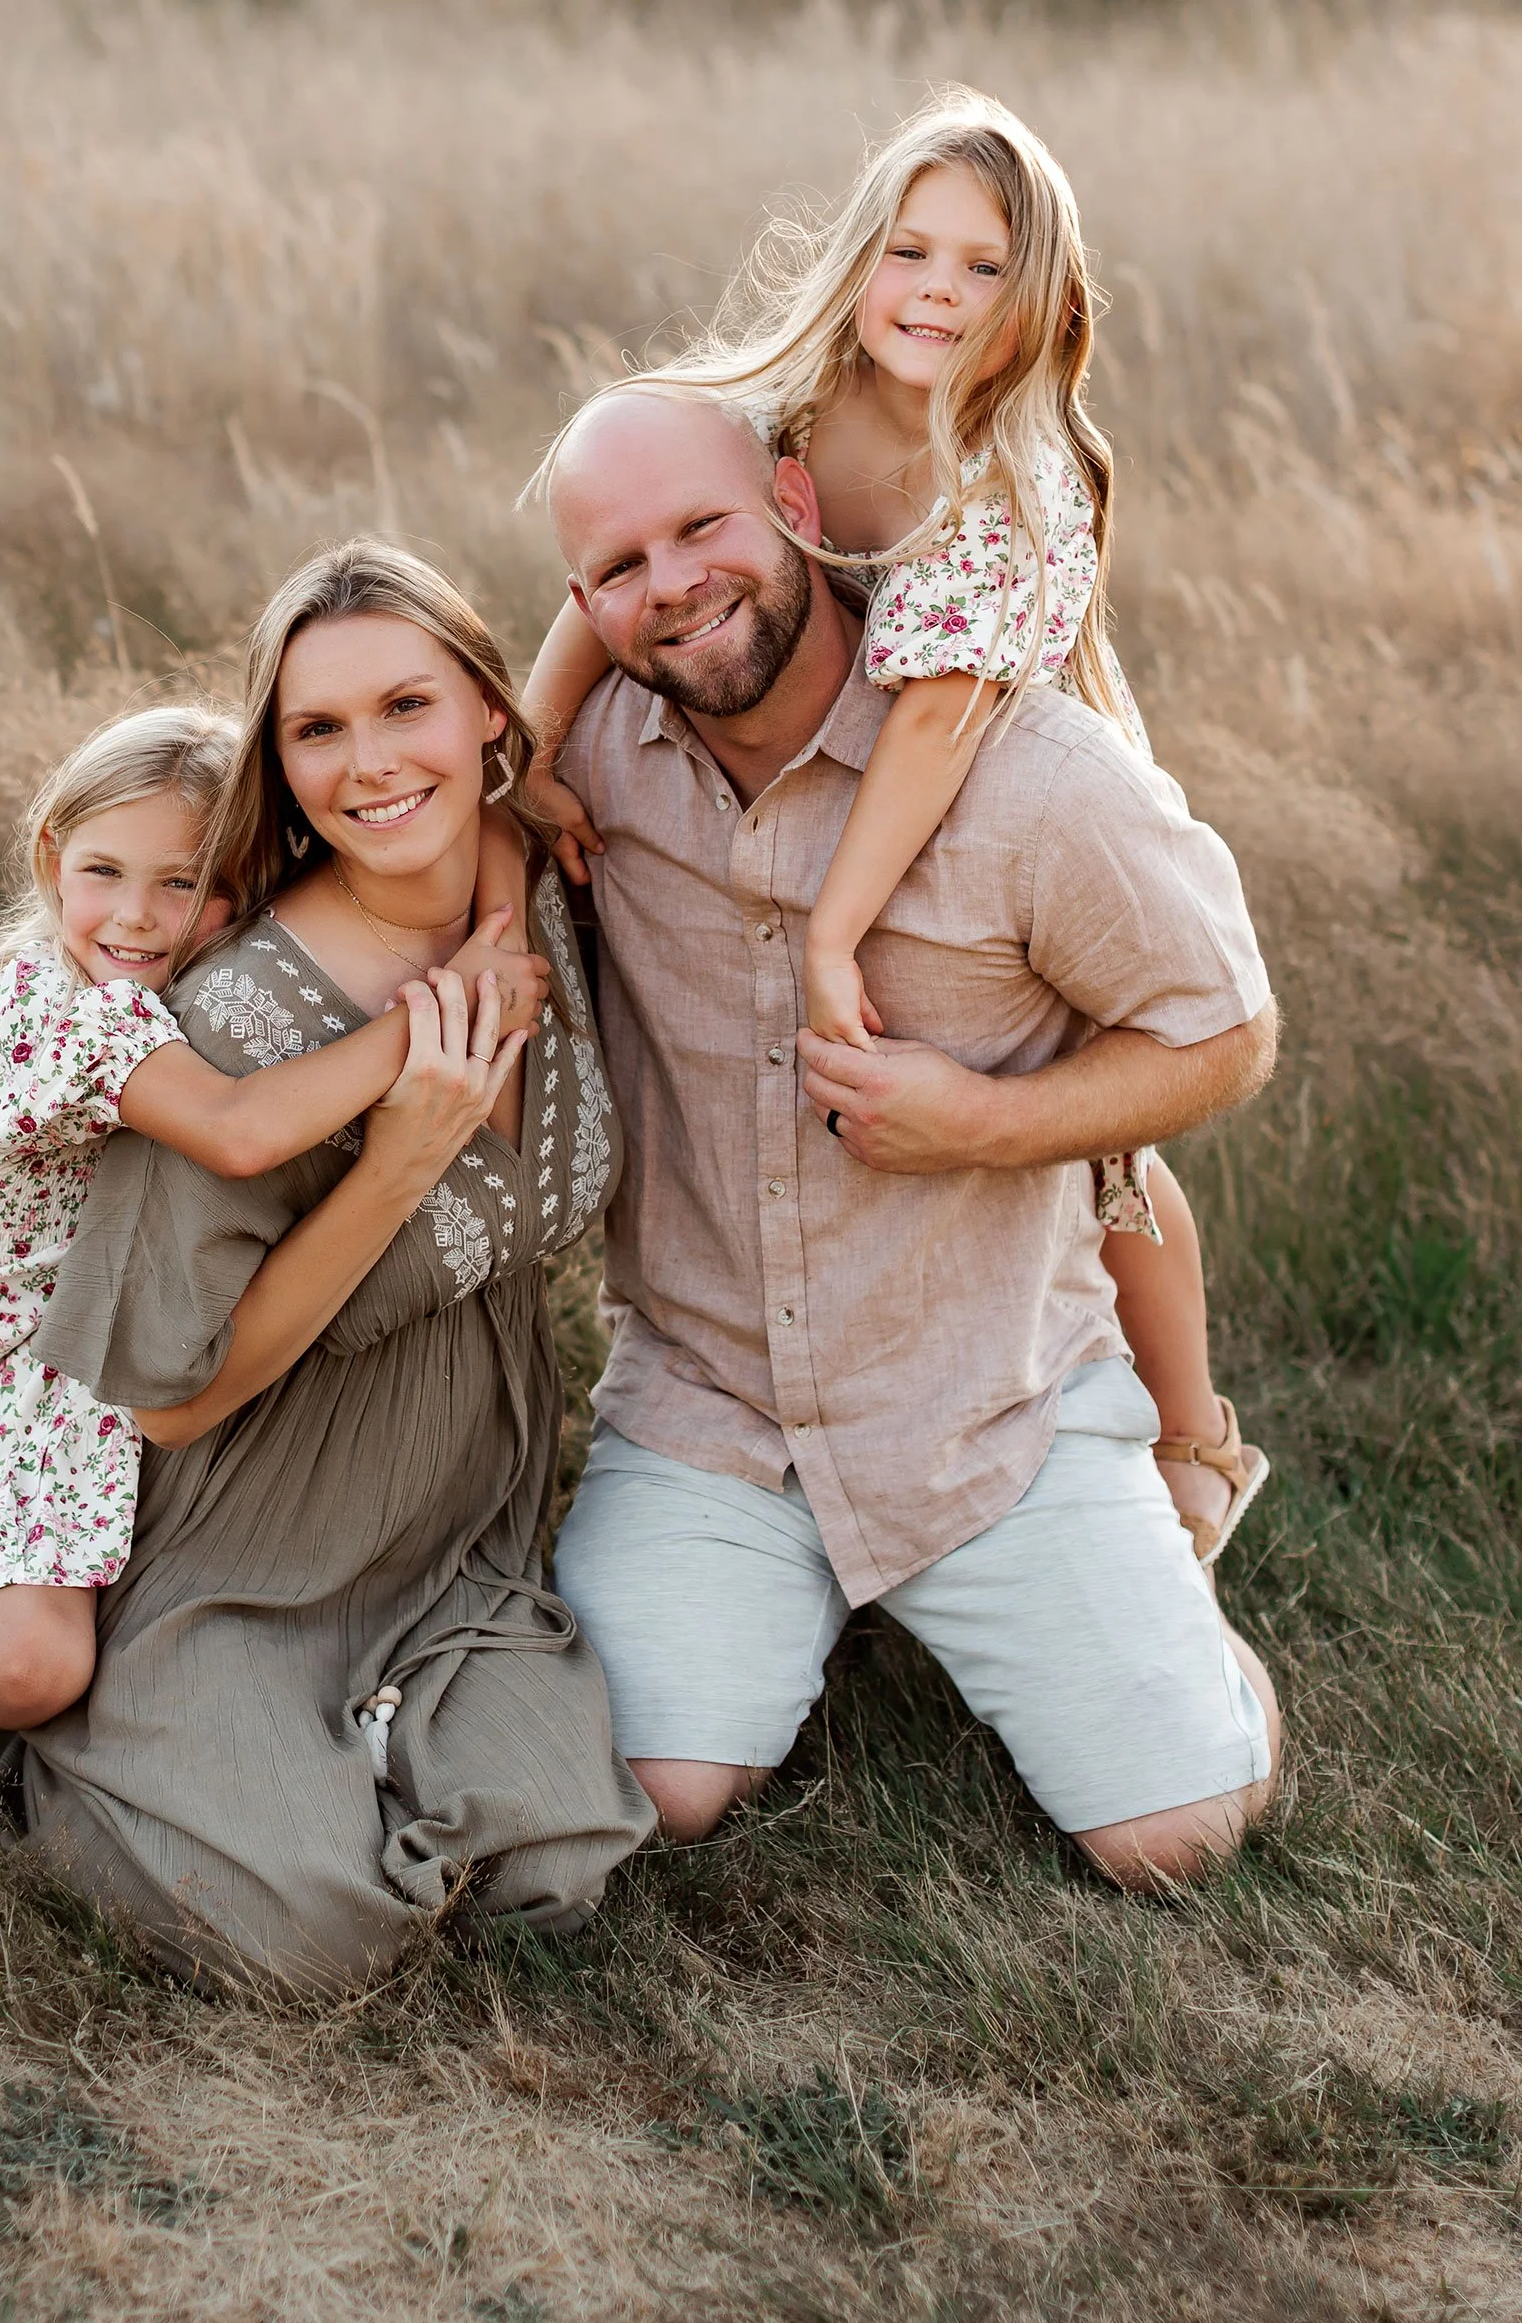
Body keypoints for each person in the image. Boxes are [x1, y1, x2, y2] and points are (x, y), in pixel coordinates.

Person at [539, 382, 1283, 1889]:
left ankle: (1171, 1570)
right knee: (651, 1787)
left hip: (984, 1397)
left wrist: (996, 1121)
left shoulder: (1032, 772)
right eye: (620, 566)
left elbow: (1225, 1028)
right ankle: (812, 1595)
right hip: (713, 1400)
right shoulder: (589, 771)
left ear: (799, 515)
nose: (671, 584)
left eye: (704, 528)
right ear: (583, 606)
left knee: (1170, 1835)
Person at [522, 93, 1261, 1564]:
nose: (939, 290)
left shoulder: (1003, 475)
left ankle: (1191, 1436)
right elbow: (608, 574)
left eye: (985, 268)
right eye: (912, 251)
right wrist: (530, 752)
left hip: (970, 761)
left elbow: (929, 724)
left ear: (1040, 295)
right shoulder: (784, 405)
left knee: (1098, 1158)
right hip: (838, 732)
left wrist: (835, 930)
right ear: (860, 261)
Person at [1, 543, 651, 1991]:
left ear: (490, 713)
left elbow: (622, 584)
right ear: (277, 761)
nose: (369, 765)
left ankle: (369, 1738)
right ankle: (79, 1733)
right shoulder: (241, 1028)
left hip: (456, 1524)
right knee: (318, 1938)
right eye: (316, 729)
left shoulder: (527, 866)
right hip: (247, 1531)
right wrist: (402, 1160)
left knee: (558, 1868)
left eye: (406, 706)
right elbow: (172, 1403)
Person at [0, 701, 549, 1734]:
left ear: (248, 880)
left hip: (133, 1335)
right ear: (50, 856)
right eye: (104, 872)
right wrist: (442, 1011)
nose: (137, 917)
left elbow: (474, 818)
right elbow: (240, 1132)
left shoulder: (211, 962)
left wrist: (504, 916)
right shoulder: (50, 1011)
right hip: (11, 1379)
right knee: (27, 1675)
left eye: (188, 883)